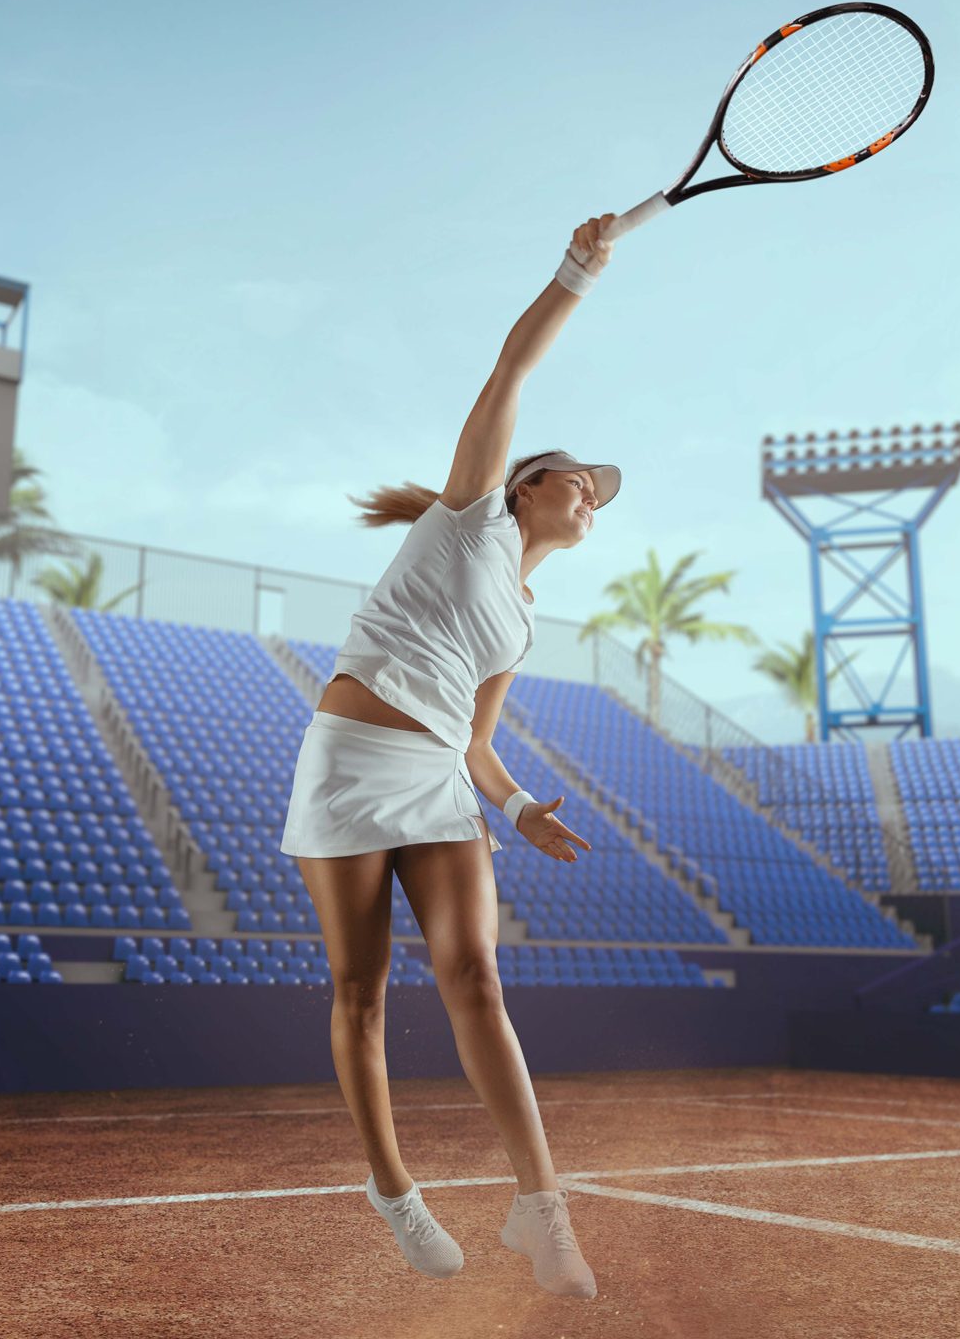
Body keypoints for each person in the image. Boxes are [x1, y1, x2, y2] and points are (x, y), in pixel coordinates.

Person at [276, 215, 624, 1299]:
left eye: (598, 499)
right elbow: (514, 361)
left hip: (435, 776)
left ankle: (540, 1210)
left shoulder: (521, 622)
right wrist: (577, 273)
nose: (591, 498)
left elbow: (475, 741)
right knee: (360, 990)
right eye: (578, 481)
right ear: (523, 487)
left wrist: (519, 807)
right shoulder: (468, 517)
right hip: (346, 760)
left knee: (476, 976)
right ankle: (393, 1191)